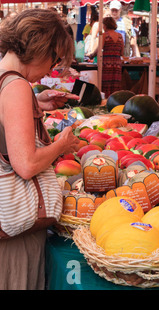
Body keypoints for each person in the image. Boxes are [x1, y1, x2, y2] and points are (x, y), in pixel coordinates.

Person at [0, 8, 80, 290]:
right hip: (14, 237)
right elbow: (27, 164)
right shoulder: (17, 86)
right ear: (40, 48)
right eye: (55, 59)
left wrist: (39, 101)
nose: (51, 69)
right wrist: (62, 145)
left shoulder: (4, 76)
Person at [89, 17, 124, 98]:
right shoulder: (120, 36)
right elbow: (122, 52)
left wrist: (91, 55)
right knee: (115, 85)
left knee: (106, 85)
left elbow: (99, 49)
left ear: (105, 25)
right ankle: (115, 100)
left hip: (106, 63)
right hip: (117, 64)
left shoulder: (104, 35)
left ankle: (106, 102)